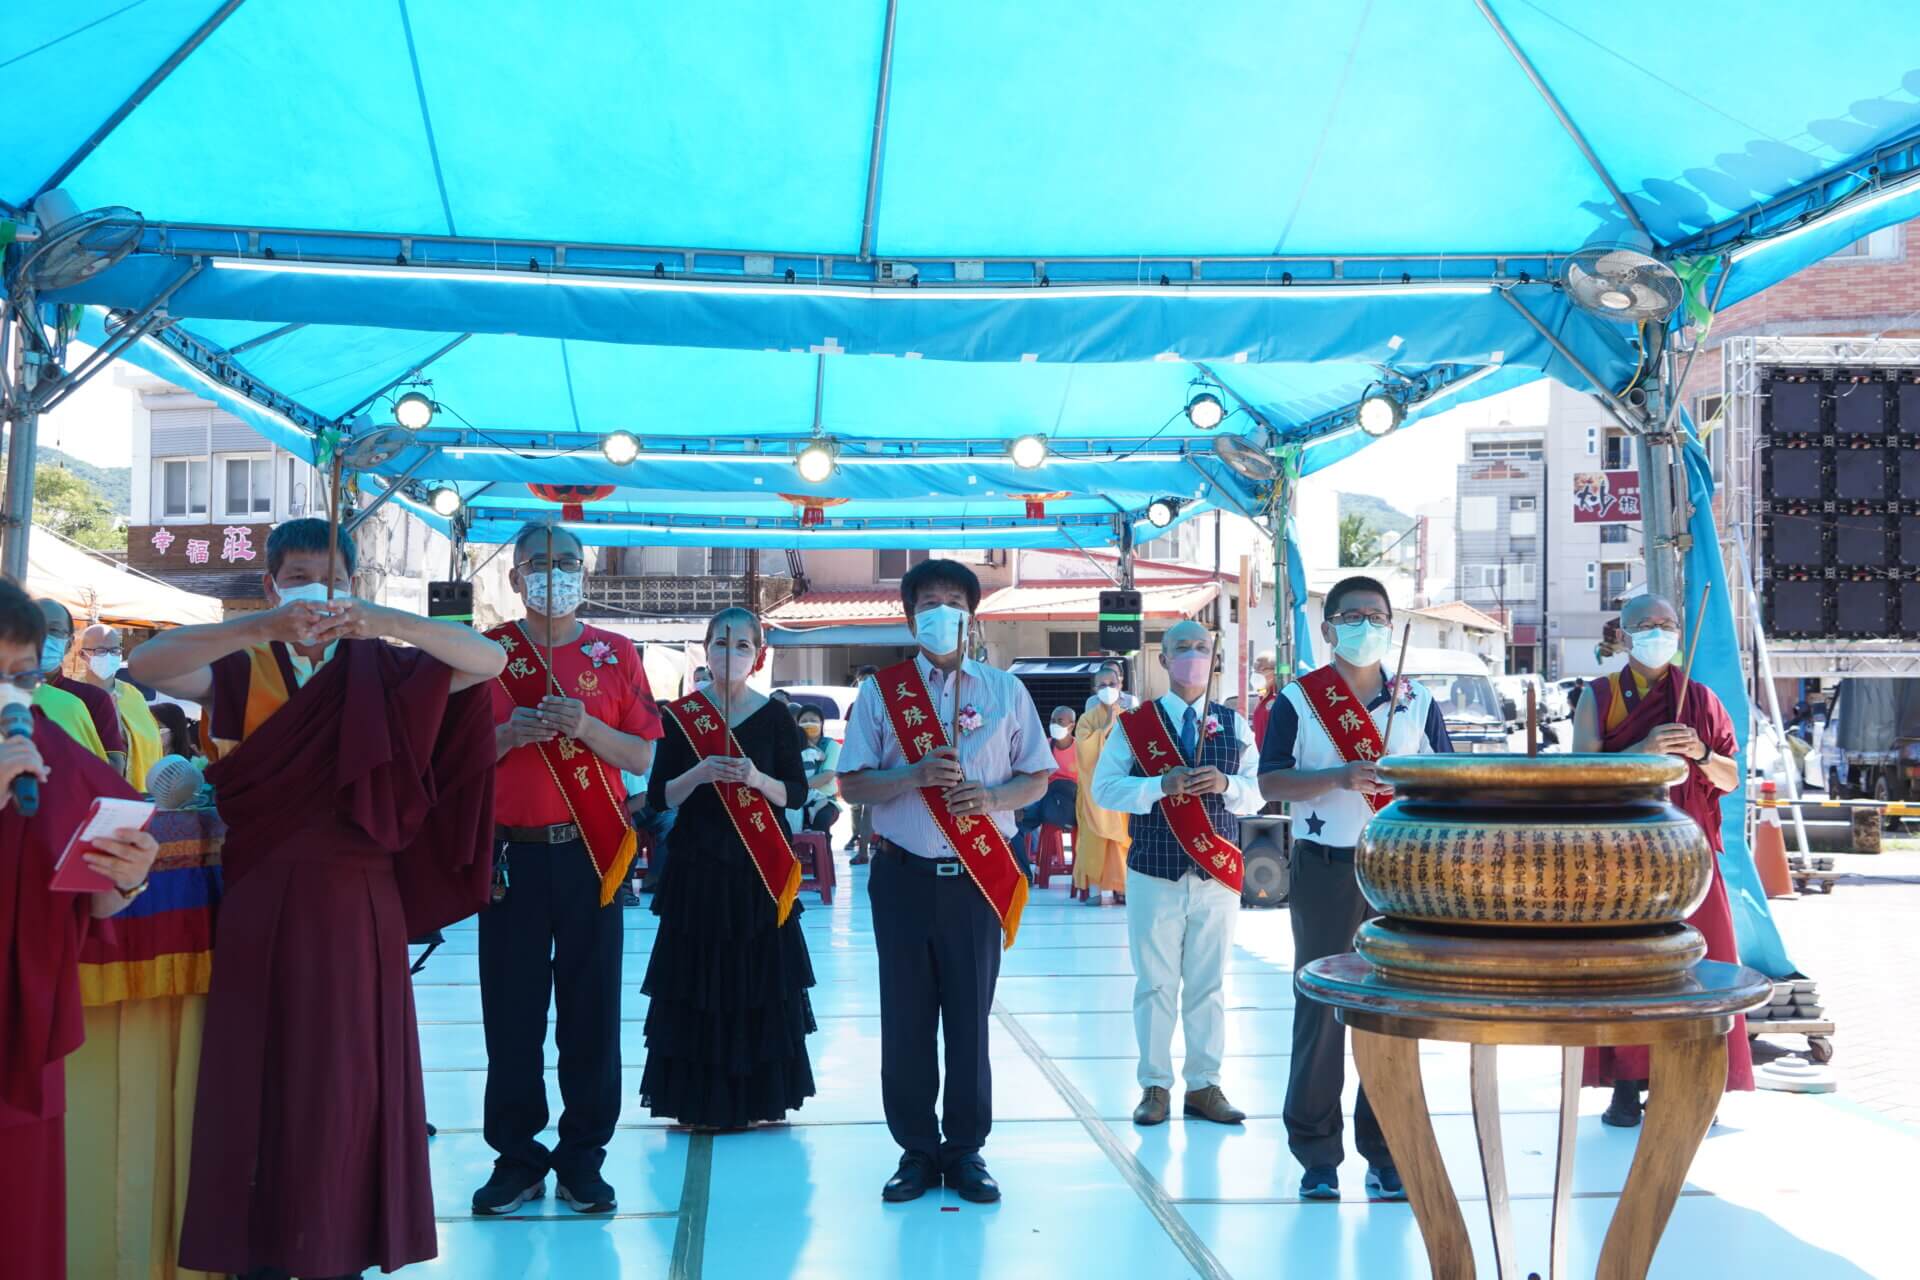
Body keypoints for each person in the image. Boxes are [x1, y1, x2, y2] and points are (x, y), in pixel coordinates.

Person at [133, 517, 507, 1279]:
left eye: (329, 578)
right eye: (295, 577)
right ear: (271, 583)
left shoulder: (391, 668)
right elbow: (146, 665)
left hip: (357, 901)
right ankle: (258, 1251)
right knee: (258, 1074)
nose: (312, 592)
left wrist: (383, 622)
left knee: (349, 1080)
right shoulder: (244, 668)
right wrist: (262, 626)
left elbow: (488, 659)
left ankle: (342, 1246)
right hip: (262, 897)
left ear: (352, 584)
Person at [838, 559, 1051, 1205]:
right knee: (904, 1020)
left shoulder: (1005, 692)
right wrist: (913, 776)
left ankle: (965, 1151)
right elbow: (851, 783)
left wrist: (987, 799)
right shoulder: (882, 693)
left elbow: (1038, 777)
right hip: (901, 876)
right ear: (909, 618)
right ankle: (915, 1151)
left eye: (952, 601)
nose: (939, 611)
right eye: (926, 602)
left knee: (969, 1020)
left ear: (971, 614)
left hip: (976, 881)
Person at [475, 524, 661, 1217]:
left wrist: (584, 727)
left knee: (590, 1013)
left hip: (593, 854)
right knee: (512, 1014)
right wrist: (508, 735)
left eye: (567, 563)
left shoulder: (615, 654)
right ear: (516, 578)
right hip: (510, 858)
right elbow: (450, 759)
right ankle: (517, 1157)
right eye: (538, 564)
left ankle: (583, 1157)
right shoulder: (488, 654)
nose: (553, 573)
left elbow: (642, 758)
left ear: (585, 574)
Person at [1259, 575, 1452, 1203]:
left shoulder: (1417, 701)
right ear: (1329, 627)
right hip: (1325, 865)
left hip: (1400, 871)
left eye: (1376, 615)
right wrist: (1339, 776)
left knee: (1391, 1008)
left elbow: (1447, 781)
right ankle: (1316, 1153)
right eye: (1352, 616)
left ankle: (1388, 1148)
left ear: (1391, 627)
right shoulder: (1300, 699)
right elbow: (1272, 783)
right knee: (1320, 1003)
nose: (1365, 626)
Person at [0, 576, 162, 1280]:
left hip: (20, 1023)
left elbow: (94, 899)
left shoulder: (47, 752)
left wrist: (127, 876)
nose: (10, 695)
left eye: (21, 674)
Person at [1577, 592, 1752, 1124]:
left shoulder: (1699, 698)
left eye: (1667, 624)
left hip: (1689, 856)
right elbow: (1584, 771)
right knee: (1627, 968)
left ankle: (1696, 1082)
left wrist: (1700, 753)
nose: (1659, 632)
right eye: (1646, 625)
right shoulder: (1600, 695)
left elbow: (1730, 778)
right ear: (1624, 635)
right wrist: (1644, 748)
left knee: (1702, 966)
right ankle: (1626, 1085)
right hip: (1624, 853)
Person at [641, 608, 815, 1128]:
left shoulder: (777, 717)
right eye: (721, 643)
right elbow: (658, 799)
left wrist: (758, 780)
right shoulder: (680, 716)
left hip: (760, 871)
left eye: (742, 645)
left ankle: (760, 1098)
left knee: (759, 981)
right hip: (697, 871)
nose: (730, 654)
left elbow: (797, 793)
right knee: (697, 982)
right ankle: (697, 1100)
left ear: (758, 655)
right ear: (706, 649)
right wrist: (697, 773)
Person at [1093, 621, 1264, 1127]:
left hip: (1217, 873)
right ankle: (1154, 1086)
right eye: (1181, 648)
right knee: (1154, 984)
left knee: (1209, 984)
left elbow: (1258, 792)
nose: (1192, 656)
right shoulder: (1134, 725)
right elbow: (1105, 790)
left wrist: (1227, 782)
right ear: (1162, 661)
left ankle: (1206, 1085)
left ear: (1213, 659)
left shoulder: (1235, 725)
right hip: (1154, 872)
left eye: (1201, 648)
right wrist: (1157, 786)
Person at [75, 623, 166, 790]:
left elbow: (150, 739)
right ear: (82, 655)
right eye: (101, 651)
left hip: (139, 790)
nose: (109, 656)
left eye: (115, 651)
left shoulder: (133, 695)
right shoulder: (74, 696)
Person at [1073, 663, 1132, 906]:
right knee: (1093, 839)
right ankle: (1097, 889)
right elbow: (1084, 750)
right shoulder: (1087, 718)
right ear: (1094, 689)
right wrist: (1107, 725)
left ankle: (1124, 888)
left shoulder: (1131, 715)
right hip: (1094, 789)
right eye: (1102, 685)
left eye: (1112, 684)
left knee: (1122, 840)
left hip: (1123, 785)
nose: (1108, 689)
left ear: (1121, 685)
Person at [38, 599, 121, 769]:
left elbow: (115, 769)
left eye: (53, 630)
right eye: (33, 628)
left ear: (68, 644)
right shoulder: (8, 694)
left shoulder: (92, 699)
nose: (42, 637)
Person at [791, 704, 842, 835]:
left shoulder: (830, 745)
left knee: (820, 821)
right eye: (804, 721)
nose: (808, 724)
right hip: (796, 797)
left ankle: (822, 854)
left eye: (813, 721)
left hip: (824, 800)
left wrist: (796, 786)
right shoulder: (791, 745)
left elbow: (827, 775)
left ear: (821, 724)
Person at [848, 664, 880, 864]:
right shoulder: (855, 705)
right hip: (863, 760)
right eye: (862, 679)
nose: (865, 683)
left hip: (883, 760)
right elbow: (850, 734)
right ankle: (863, 851)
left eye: (869, 679)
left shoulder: (888, 701)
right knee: (865, 807)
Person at [1249, 650, 1279, 746]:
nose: (1256, 673)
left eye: (1261, 669)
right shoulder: (1262, 698)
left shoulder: (1279, 698)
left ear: (1274, 671)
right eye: (1255, 669)